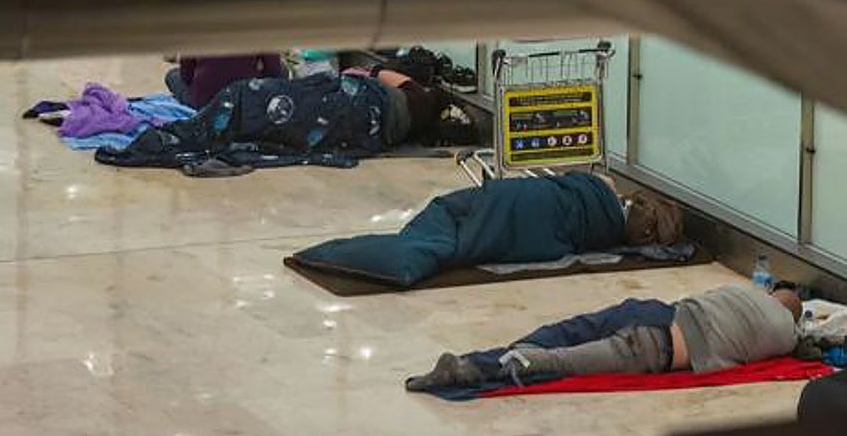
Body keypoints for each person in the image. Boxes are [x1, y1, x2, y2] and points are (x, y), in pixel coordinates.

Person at [292, 172, 686, 287]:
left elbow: (588, 181)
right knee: (453, 233)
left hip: (506, 201)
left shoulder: (600, 188)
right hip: (532, 209)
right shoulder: (607, 233)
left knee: (450, 226)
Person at [406, 283, 804, 390]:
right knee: (561, 362)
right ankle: (472, 368)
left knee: (560, 333)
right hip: (656, 345)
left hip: (648, 310)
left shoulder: (743, 292)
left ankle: (487, 355)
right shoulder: (784, 334)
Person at [96, 68, 454, 173]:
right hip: (351, 120)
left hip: (351, 97)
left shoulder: (412, 92)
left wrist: (368, 72)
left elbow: (370, 71)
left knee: (182, 80)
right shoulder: (403, 124)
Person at [165, 54, 287, 109]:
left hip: (206, 104)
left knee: (172, 76)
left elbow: (186, 75)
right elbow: (274, 72)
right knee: (283, 69)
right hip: (245, 100)